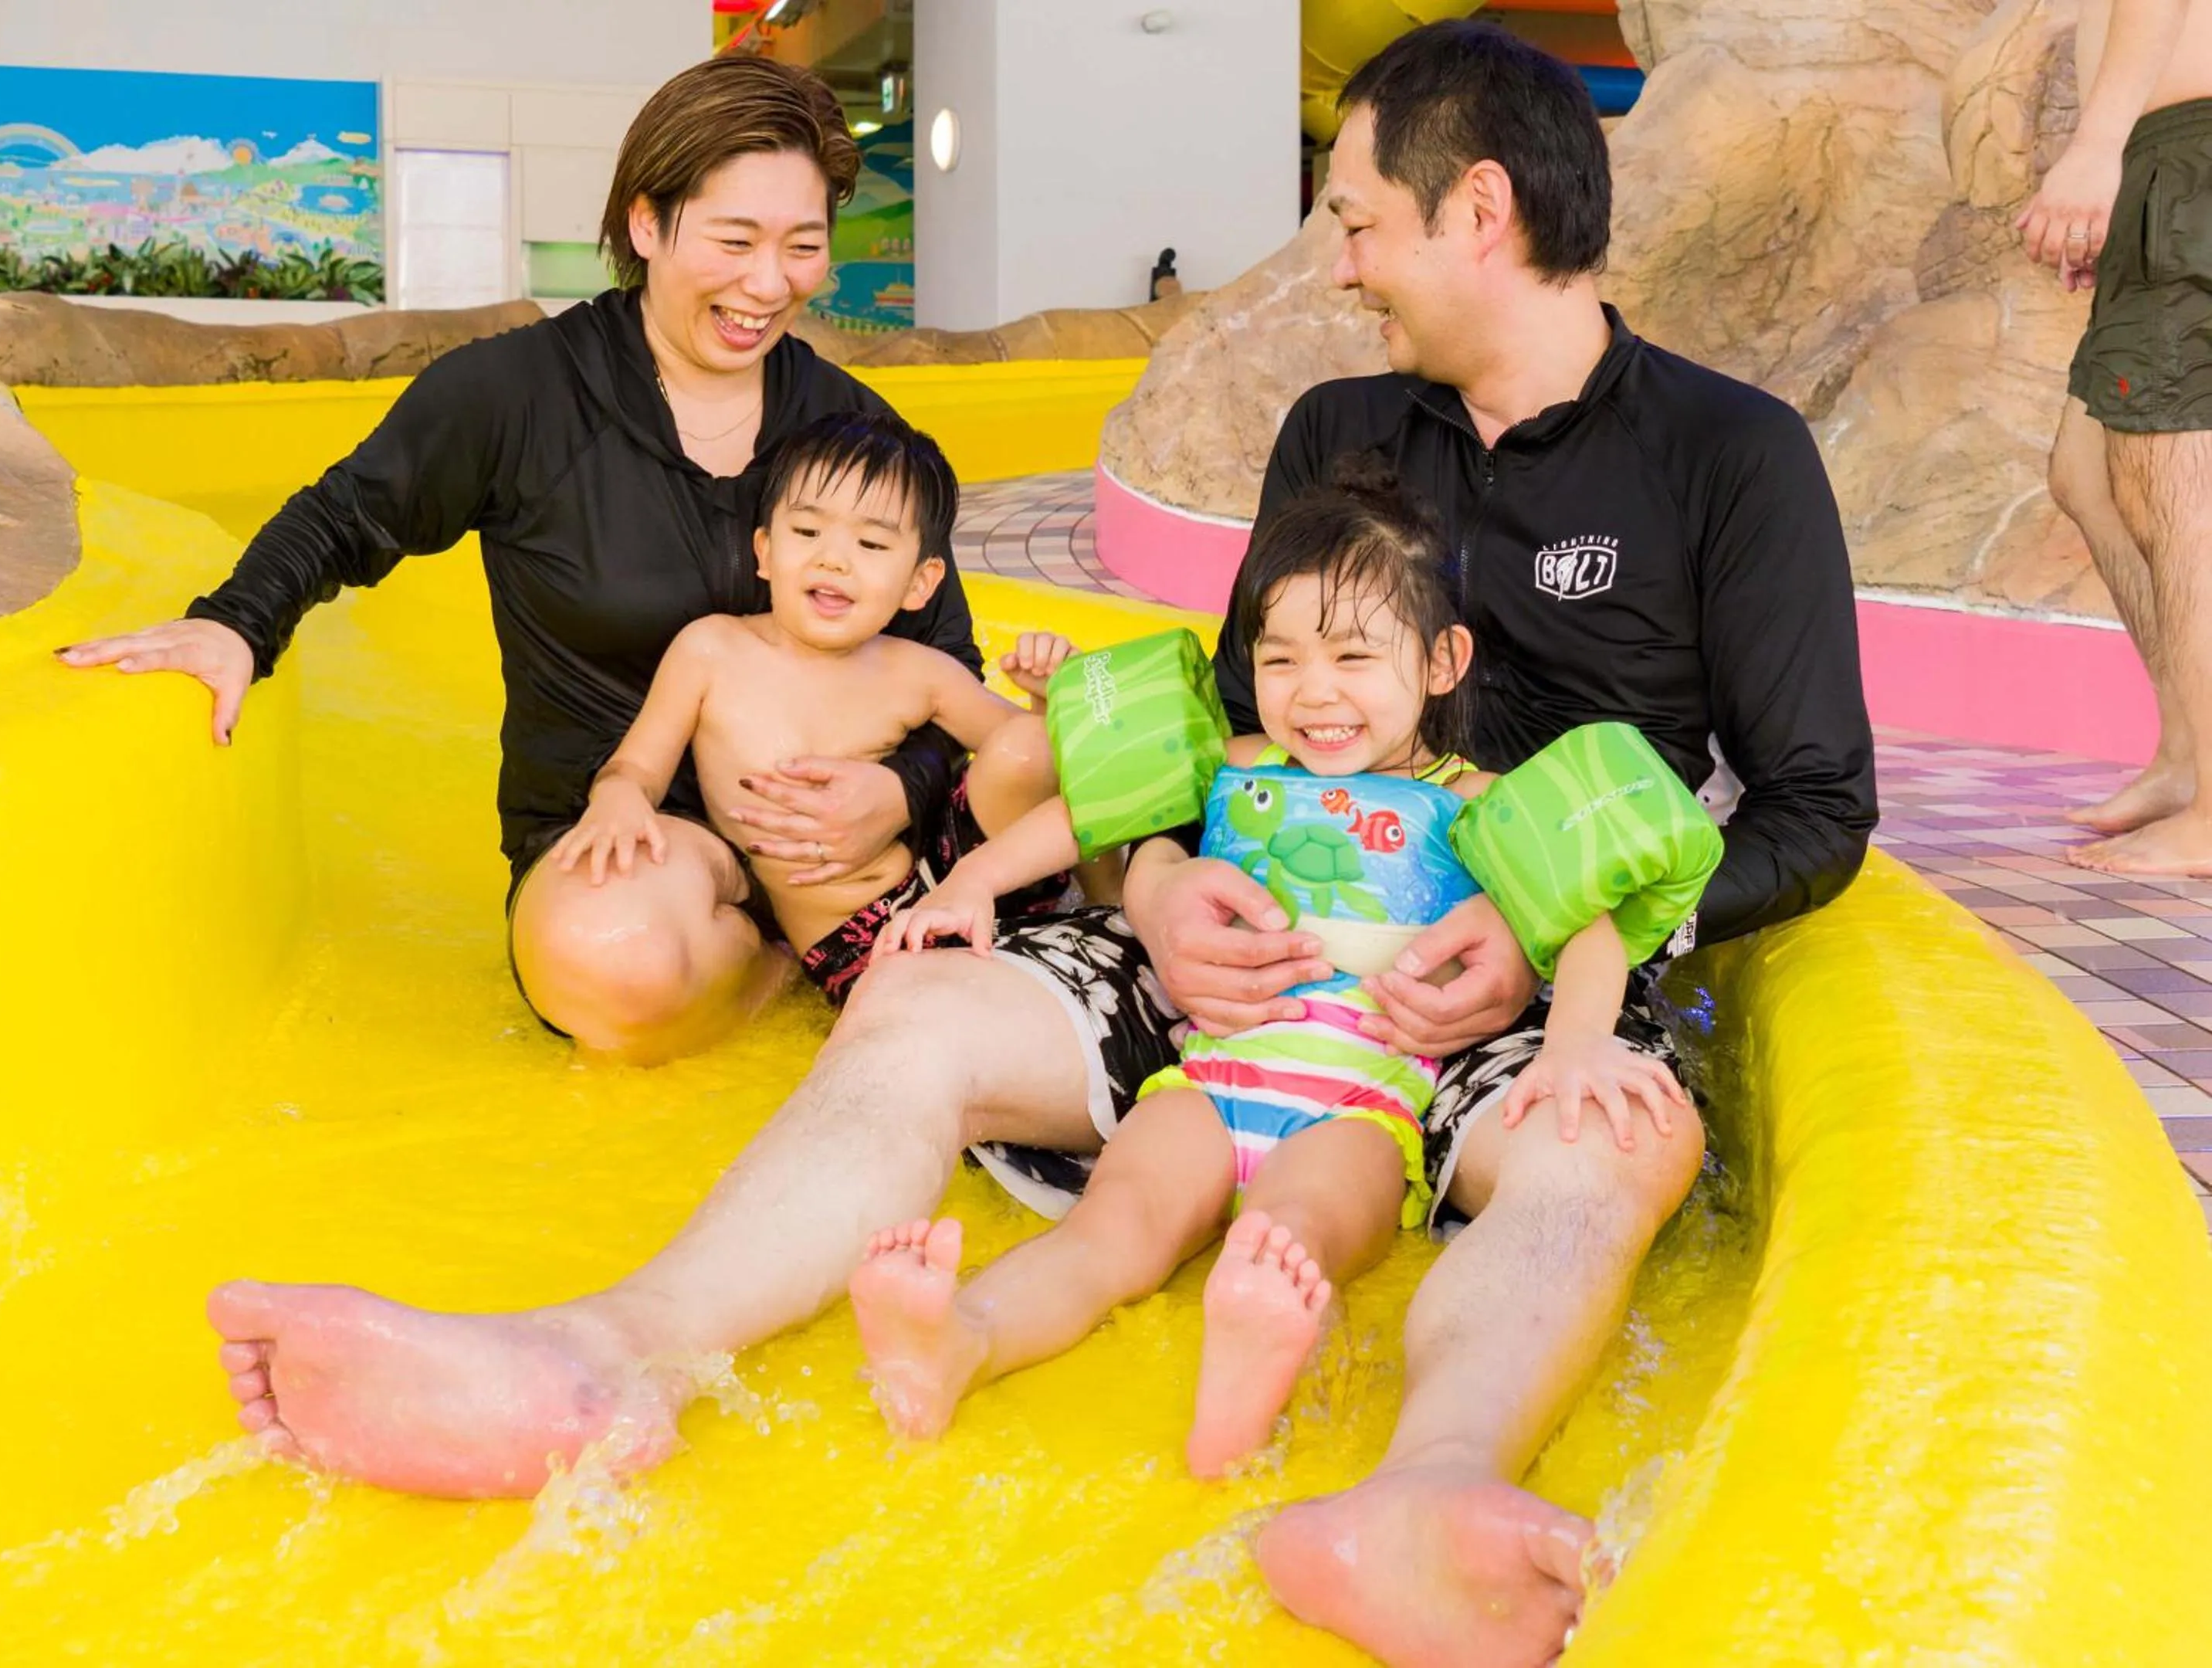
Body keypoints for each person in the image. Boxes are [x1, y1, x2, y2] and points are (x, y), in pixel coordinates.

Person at [202, 24, 1874, 1667]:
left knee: (1608, 1150)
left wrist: (1540, 943)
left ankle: (1426, 1496)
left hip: (1508, 984)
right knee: (918, 1005)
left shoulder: (1731, 457)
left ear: (1480, 211)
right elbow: (1214, 734)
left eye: (1359, 217)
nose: (1345, 262)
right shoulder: (1340, 432)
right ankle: (613, 1354)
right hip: (1247, 936)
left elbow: (1816, 809)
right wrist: (1153, 884)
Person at [55, 56, 981, 1060]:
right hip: (620, 834)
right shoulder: (521, 395)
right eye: (734, 240)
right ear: (645, 224)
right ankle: (767, 972)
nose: (770, 283)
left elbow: (949, 660)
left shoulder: (851, 429)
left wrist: (900, 792)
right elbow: (348, 516)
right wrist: (236, 622)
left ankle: (809, 938)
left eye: (804, 246)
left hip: (834, 840)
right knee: (611, 961)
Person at [852, 471, 1701, 1479]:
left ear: (1441, 660)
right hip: (1211, 1078)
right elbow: (1099, 813)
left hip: (1361, 1104)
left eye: (1353, 656)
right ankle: (963, 1339)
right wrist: (973, 885)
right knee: (1113, 1226)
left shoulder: (1477, 798)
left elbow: (1590, 914)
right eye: (1283, 657)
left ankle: (1243, 1400)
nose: (1316, 691)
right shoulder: (1236, 761)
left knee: (1290, 1238)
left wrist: (1575, 1049)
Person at [549, 409, 1078, 1003]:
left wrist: (1044, 700)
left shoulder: (917, 670)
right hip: (859, 939)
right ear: (765, 551)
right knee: (927, 1016)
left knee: (1029, 746)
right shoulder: (712, 651)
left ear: (919, 585)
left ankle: (1085, 906)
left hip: (962, 880)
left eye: (871, 543)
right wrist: (617, 797)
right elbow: (638, 766)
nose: (833, 559)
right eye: (807, 533)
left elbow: (1042, 764)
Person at [2018, 0, 2212, 869]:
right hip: (2164, 155)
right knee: (2087, 471)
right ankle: (2186, 756)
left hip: (2189, 153)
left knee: (2175, 490)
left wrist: (2096, 149)